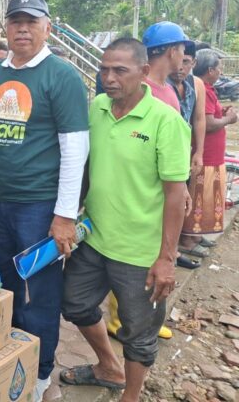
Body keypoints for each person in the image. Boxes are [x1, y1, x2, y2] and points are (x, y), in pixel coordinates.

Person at [60, 38, 190, 402]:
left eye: (120, 70)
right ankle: (107, 366)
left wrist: (167, 258)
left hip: (141, 253)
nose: (109, 78)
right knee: (73, 303)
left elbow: (175, 194)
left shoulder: (166, 121)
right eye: (104, 69)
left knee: (139, 333)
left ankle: (130, 395)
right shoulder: (98, 107)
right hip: (95, 239)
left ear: (144, 72)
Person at [0, 0, 89, 401]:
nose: (23, 29)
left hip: (39, 207)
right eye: (15, 22)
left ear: (47, 27)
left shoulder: (61, 76)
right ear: (6, 29)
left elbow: (76, 148)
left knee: (39, 294)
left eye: (32, 21)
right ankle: (7, 362)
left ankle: (39, 375)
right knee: (4, 287)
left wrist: (64, 215)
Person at [181, 50, 236, 250]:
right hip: (205, 155)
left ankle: (198, 234)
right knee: (199, 197)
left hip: (212, 155)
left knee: (206, 199)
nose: (221, 72)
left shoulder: (207, 89)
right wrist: (229, 119)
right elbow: (208, 123)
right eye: (219, 68)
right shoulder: (200, 88)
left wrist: (221, 112)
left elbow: (209, 116)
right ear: (210, 70)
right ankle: (189, 239)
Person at [170, 47, 208, 269]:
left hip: (184, 152)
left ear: (193, 62)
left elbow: (200, 118)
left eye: (187, 62)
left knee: (180, 203)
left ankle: (173, 251)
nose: (181, 67)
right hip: (164, 152)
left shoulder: (196, 85)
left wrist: (199, 151)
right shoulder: (162, 84)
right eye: (179, 61)